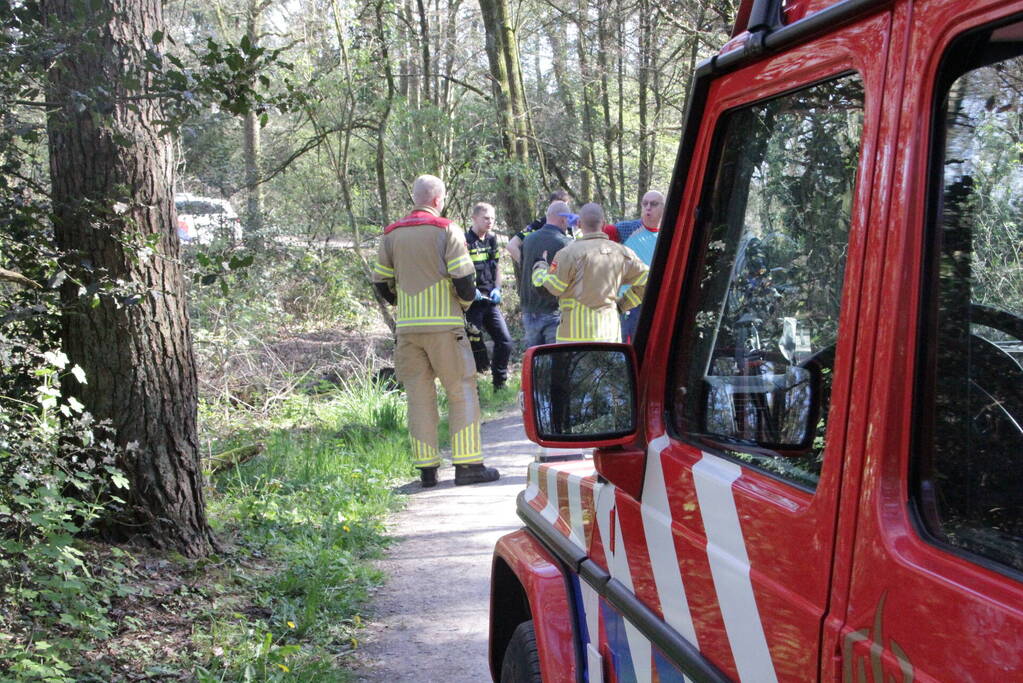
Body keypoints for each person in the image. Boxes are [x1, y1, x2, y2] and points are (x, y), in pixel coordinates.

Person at [372, 175, 500, 487]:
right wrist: (464, 305)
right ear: (437, 200)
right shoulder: (446, 229)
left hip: (408, 330)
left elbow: (381, 283)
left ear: (415, 198)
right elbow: (464, 279)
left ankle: (427, 470)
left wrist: (402, 302)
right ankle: (468, 465)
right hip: (445, 327)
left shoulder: (391, 234)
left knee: (418, 397)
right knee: (461, 390)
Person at [531, 202, 649, 343]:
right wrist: (622, 304)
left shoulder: (567, 254)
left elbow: (553, 287)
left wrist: (540, 267)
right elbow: (647, 280)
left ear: (579, 224)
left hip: (572, 338)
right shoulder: (623, 253)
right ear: (603, 224)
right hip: (609, 337)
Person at [465, 202, 513, 391]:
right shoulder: (465, 241)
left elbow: (497, 267)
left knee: (505, 341)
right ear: (474, 218)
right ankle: (473, 388)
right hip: (472, 303)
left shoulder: (492, 239)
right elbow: (458, 272)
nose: (490, 221)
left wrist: (498, 288)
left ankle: (499, 384)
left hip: (490, 301)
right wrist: (470, 290)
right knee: (473, 346)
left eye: (492, 218)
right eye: (486, 218)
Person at [519, 201, 573, 346]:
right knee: (555, 355)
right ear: (563, 219)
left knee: (534, 355)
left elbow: (524, 269)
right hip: (553, 310)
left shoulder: (528, 240)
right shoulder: (566, 244)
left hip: (529, 309)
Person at [620, 190, 665, 342]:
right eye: (645, 204)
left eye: (654, 204)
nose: (648, 207)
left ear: (664, 208)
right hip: (630, 306)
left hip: (657, 303)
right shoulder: (626, 230)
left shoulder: (671, 234)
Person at [505, 189, 571, 273]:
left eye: (563, 207)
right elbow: (511, 246)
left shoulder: (570, 226)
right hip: (540, 274)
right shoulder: (539, 223)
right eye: (556, 206)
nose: (559, 211)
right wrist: (527, 266)